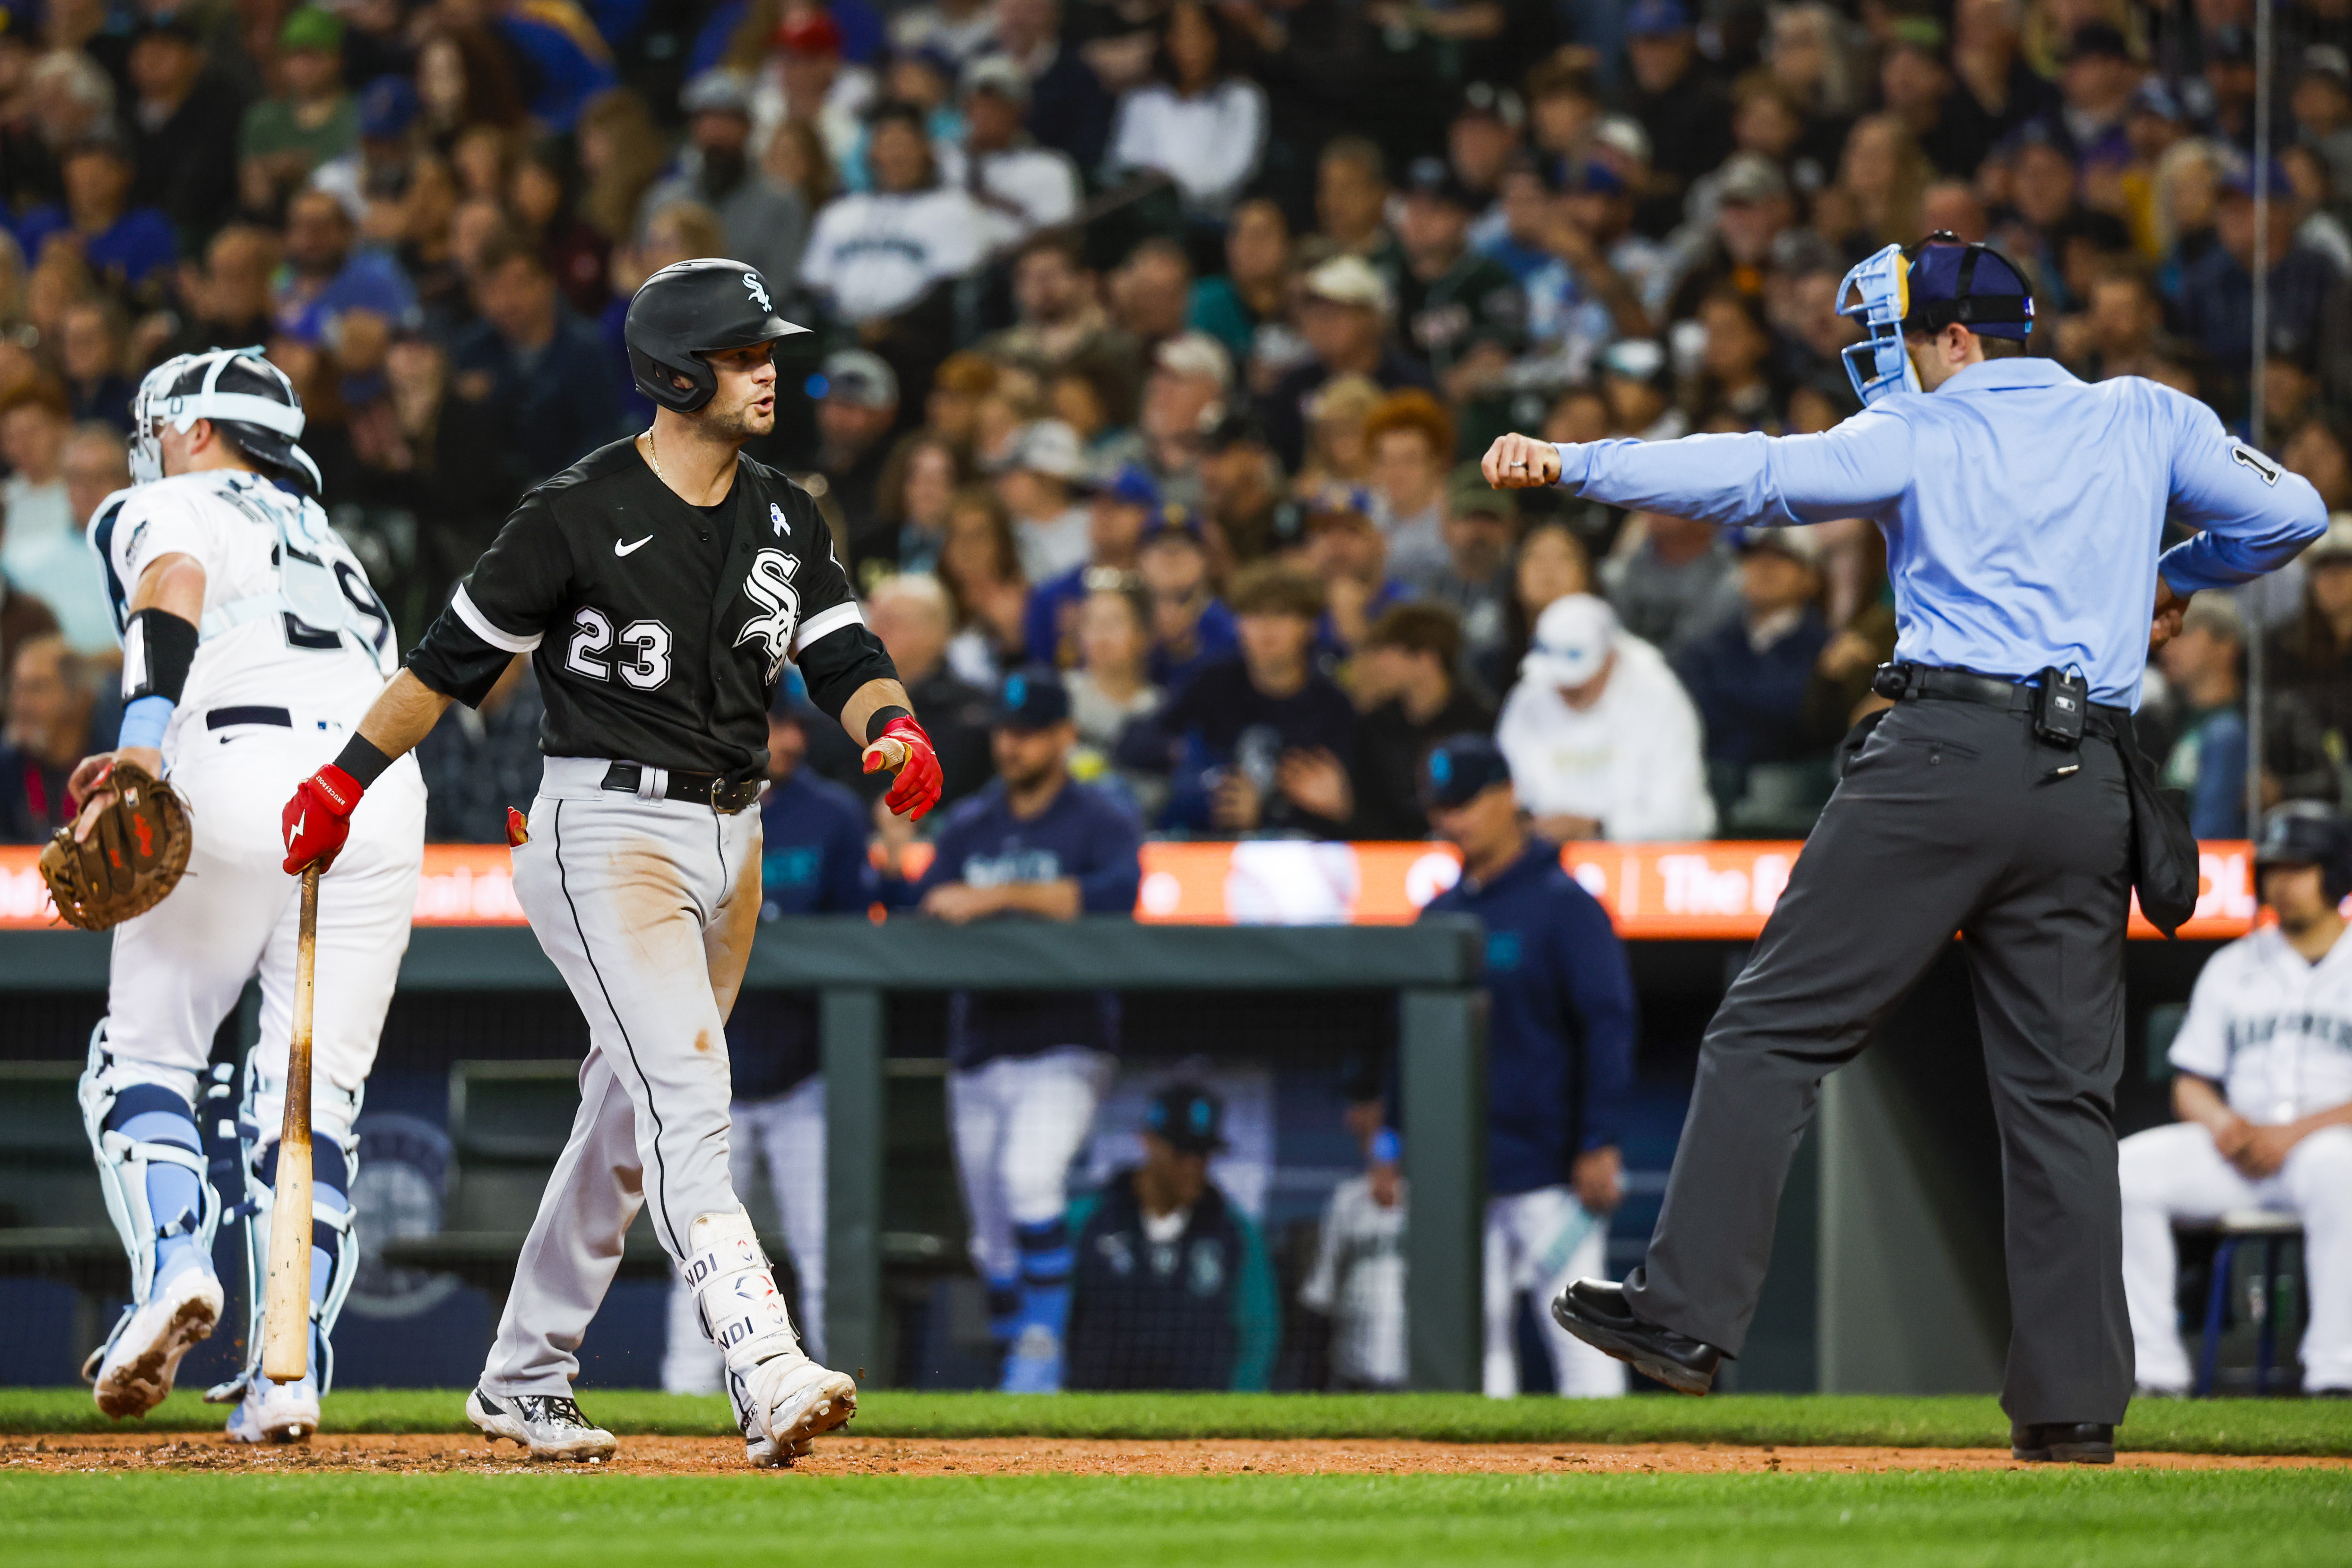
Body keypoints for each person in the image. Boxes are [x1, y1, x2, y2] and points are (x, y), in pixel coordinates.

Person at [1487, 234, 2326, 1463]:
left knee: (1773, 1028)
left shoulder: (1926, 430)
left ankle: (1684, 1314)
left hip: (1943, 754)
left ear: (1955, 338)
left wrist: (1579, 461)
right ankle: (2074, 1409)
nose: (1883, 365)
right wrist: (2174, 568)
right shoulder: (2145, 414)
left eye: (1893, 339)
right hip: (2090, 774)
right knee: (2062, 1107)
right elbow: (2295, 513)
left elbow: (1759, 474)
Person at [277, 259, 943, 1467]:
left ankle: (526, 1369)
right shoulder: (574, 511)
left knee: (628, 1118)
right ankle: (765, 1360)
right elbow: (446, 666)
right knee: (690, 1095)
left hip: (736, 834)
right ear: (679, 373)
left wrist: (890, 727)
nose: (769, 368)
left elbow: (845, 658)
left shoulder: (785, 511)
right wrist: (343, 777)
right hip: (605, 829)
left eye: (766, 350)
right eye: (746, 354)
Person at [65, 350, 422, 1444]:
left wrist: (136, 746)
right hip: (376, 785)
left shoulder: (170, 495)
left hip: (232, 757)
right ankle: (288, 1367)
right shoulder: (338, 547)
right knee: (310, 1103)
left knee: (145, 1057)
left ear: (199, 429)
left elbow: (170, 581)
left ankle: (175, 1263)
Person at [878, 666, 1142, 1391]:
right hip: (982, 1041)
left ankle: (1039, 1357)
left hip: (1066, 1037)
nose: (1012, 744)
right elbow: (923, 904)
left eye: (1029, 732)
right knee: (991, 1237)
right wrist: (903, 857)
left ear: (1064, 735)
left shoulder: (1100, 816)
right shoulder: (971, 821)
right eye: (1005, 731)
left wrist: (996, 897)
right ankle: (1013, 1370)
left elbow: (1118, 893)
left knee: (1031, 1180)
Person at [662, 685, 877, 1393]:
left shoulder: (832, 814)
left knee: (822, 1246)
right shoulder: (689, 803)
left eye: (788, 725)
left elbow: (860, 940)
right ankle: (686, 1397)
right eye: (768, 725)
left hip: (804, 1075)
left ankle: (834, 1379)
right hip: (712, 1070)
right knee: (699, 1247)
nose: (782, 739)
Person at [1419, 736, 1634, 1398]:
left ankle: (1612, 1492)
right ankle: (1484, 1493)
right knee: (1475, 1349)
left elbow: (1609, 1022)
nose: (1452, 821)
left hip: (1553, 1172)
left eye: (1465, 803)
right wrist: (1395, 1135)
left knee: (1585, 1346)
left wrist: (1599, 1138)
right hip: (1464, 1177)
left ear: (1507, 795)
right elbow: (1406, 1042)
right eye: (1442, 808)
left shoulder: (1563, 903)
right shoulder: (1441, 914)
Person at [2119, 803, 2352, 1398]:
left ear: (2335, 872)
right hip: (2241, 1151)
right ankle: (2154, 1369)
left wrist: (2295, 1133)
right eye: (2274, 867)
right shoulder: (2234, 964)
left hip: (2327, 1151)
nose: (2284, 882)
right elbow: (2190, 1080)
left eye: (2300, 868)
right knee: (2126, 1169)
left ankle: (2337, 1369)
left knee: (2339, 1168)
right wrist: (2222, 1122)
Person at [1064, 1081, 1280, 1390]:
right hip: (1099, 1415)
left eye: (1203, 1155)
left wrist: (1237, 1413)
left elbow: (1258, 1331)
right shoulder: (1088, 1219)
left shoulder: (1234, 1229)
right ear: (1148, 1142)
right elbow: (1052, 1319)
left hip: (1199, 1421)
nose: (1193, 1167)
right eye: (1181, 1153)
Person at [1124, 562, 1356, 837]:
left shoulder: (1333, 707)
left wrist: (1267, 810)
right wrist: (1195, 765)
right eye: (1254, 616)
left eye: (1281, 616)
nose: (1266, 631)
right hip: (1207, 843)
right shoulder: (1213, 681)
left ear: (1308, 627)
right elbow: (1136, 743)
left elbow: (1341, 805)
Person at [1496, 593, 1715, 842]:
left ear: (1610, 658)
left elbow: (1680, 815)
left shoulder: (1660, 696)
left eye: (1578, 681)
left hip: (1646, 856)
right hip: (1546, 856)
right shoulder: (1529, 697)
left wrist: (1599, 828)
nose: (1565, 689)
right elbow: (1505, 796)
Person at [1673, 527, 1835, 822]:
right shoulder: (1707, 644)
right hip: (1712, 790)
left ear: (1811, 577)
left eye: (1782, 558)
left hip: (1799, 805)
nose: (1765, 568)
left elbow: (1800, 720)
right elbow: (1688, 710)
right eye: (1754, 558)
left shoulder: (1830, 650)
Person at [1349, 605, 1496, 840]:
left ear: (1427, 658)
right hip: (1388, 851)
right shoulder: (1375, 726)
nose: (1378, 664)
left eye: (1388, 652)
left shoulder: (1480, 724)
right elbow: (1370, 805)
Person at [865, 572, 996, 810]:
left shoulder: (978, 715)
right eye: (872, 620)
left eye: (889, 622)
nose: (872, 632)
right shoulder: (841, 711)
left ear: (935, 632)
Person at [1298, 1124, 1407, 1391]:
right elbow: (1320, 1292)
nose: (1385, 1173)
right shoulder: (1348, 1200)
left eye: (1391, 1165)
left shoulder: (1428, 1202)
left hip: (1411, 1372)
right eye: (1379, 1164)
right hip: (1352, 1368)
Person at [2152, 596, 2252, 839]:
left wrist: (2275, 792)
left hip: (2237, 849)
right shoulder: (2156, 722)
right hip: (2165, 845)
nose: (2168, 647)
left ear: (2226, 646)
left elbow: (2327, 787)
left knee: (2225, 735)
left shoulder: (2271, 716)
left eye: (2183, 634)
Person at [0, 634, 95, 843]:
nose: (21, 704)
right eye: (17, 688)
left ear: (77, 698)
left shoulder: (110, 771)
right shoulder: (6, 769)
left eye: (37, 688)